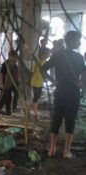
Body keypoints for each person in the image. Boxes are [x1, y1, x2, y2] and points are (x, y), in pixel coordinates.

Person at [42, 31, 86, 159]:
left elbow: (42, 68)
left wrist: (52, 81)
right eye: (78, 40)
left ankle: (52, 149)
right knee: (70, 121)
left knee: (56, 119)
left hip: (60, 91)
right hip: (73, 93)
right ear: (72, 41)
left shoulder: (57, 55)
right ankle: (66, 151)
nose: (80, 43)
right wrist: (81, 84)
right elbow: (84, 72)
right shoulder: (78, 57)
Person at [0, 50, 19, 116]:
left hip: (11, 84)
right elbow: (1, 74)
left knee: (9, 98)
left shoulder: (15, 65)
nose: (15, 59)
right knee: (3, 99)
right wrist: (1, 83)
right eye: (14, 57)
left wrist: (16, 83)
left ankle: (8, 112)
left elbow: (16, 75)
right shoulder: (5, 64)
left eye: (16, 57)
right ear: (10, 56)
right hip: (5, 84)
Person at [29, 47, 51, 121]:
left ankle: (27, 110)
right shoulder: (36, 61)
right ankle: (35, 115)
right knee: (36, 99)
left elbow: (44, 72)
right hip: (35, 82)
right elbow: (31, 72)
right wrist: (29, 82)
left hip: (40, 82)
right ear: (43, 54)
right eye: (48, 53)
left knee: (36, 98)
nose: (49, 55)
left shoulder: (45, 61)